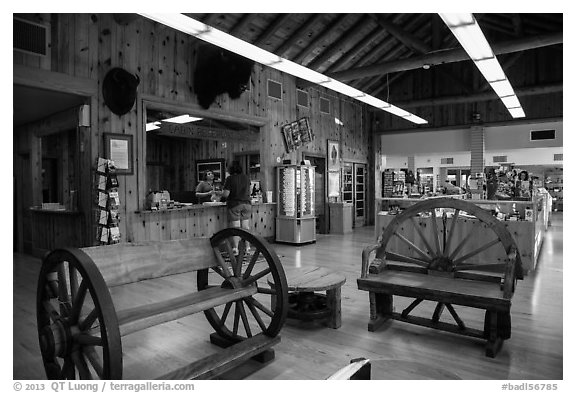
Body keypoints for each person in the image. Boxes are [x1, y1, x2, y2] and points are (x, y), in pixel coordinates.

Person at [220, 161, 252, 255]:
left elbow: (226, 194)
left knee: (236, 227)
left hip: (235, 204)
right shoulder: (246, 178)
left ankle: (235, 248)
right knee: (245, 227)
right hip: (247, 204)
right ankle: (248, 247)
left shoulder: (230, 179)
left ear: (231, 169)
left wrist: (221, 197)